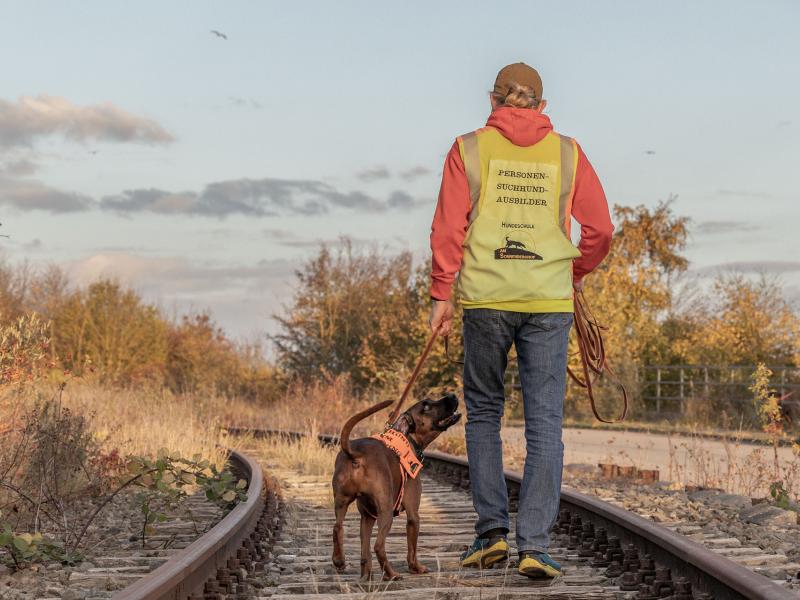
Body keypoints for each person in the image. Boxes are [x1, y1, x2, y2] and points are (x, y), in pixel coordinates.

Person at [428, 62, 613, 578]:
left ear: (494, 101)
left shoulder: (468, 148)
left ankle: (490, 534)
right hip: (547, 301)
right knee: (545, 423)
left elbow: (447, 228)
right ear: (542, 105)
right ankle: (535, 544)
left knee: (485, 412)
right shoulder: (568, 153)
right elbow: (600, 229)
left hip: (486, 296)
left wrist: (442, 294)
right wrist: (573, 271)